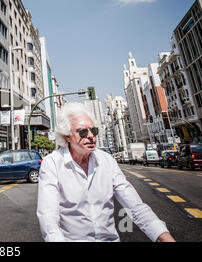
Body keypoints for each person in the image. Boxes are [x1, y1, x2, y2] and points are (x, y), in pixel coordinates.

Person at [37, 102, 175, 242]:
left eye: (94, 130)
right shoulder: (52, 164)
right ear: (67, 136)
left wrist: (161, 235)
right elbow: (49, 218)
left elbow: (135, 207)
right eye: (83, 132)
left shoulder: (107, 161)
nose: (91, 136)